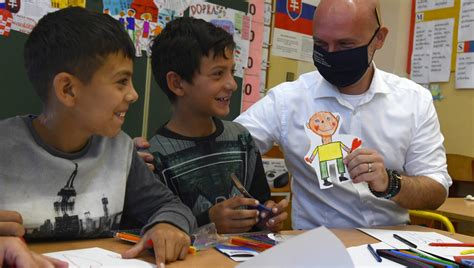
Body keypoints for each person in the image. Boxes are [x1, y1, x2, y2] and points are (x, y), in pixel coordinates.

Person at [0, 7, 196, 266]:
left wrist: (168, 225)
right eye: (121, 82)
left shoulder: (119, 149)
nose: (133, 94)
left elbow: (171, 206)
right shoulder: (5, 146)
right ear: (68, 89)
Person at [234, 0, 451, 229]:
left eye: (346, 45)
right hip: (318, 247)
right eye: (320, 44)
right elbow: (226, 149)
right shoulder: (288, 100)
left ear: (379, 38)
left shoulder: (414, 100)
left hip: (389, 249)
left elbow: (436, 190)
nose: (332, 54)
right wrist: (251, 204)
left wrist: (390, 184)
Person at [142, 17, 288, 234]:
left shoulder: (242, 139)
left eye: (231, 71)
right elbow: (157, 232)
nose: (231, 84)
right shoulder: (154, 159)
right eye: (218, 74)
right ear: (177, 83)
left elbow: (260, 201)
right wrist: (208, 221)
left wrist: (266, 216)